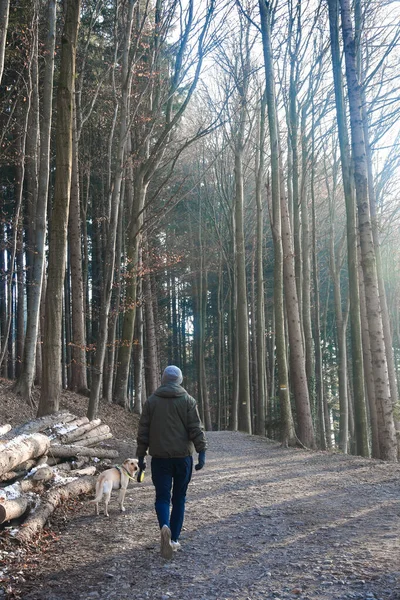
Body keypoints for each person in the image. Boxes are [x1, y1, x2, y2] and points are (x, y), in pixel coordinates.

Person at [136, 365, 207, 559]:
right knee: (179, 498)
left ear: (163, 379)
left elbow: (143, 432)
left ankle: (164, 527)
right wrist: (201, 452)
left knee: (162, 498)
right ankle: (174, 539)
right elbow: (195, 428)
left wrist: (141, 457)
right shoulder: (188, 401)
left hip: (159, 459)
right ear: (180, 380)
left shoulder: (151, 402)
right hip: (183, 458)